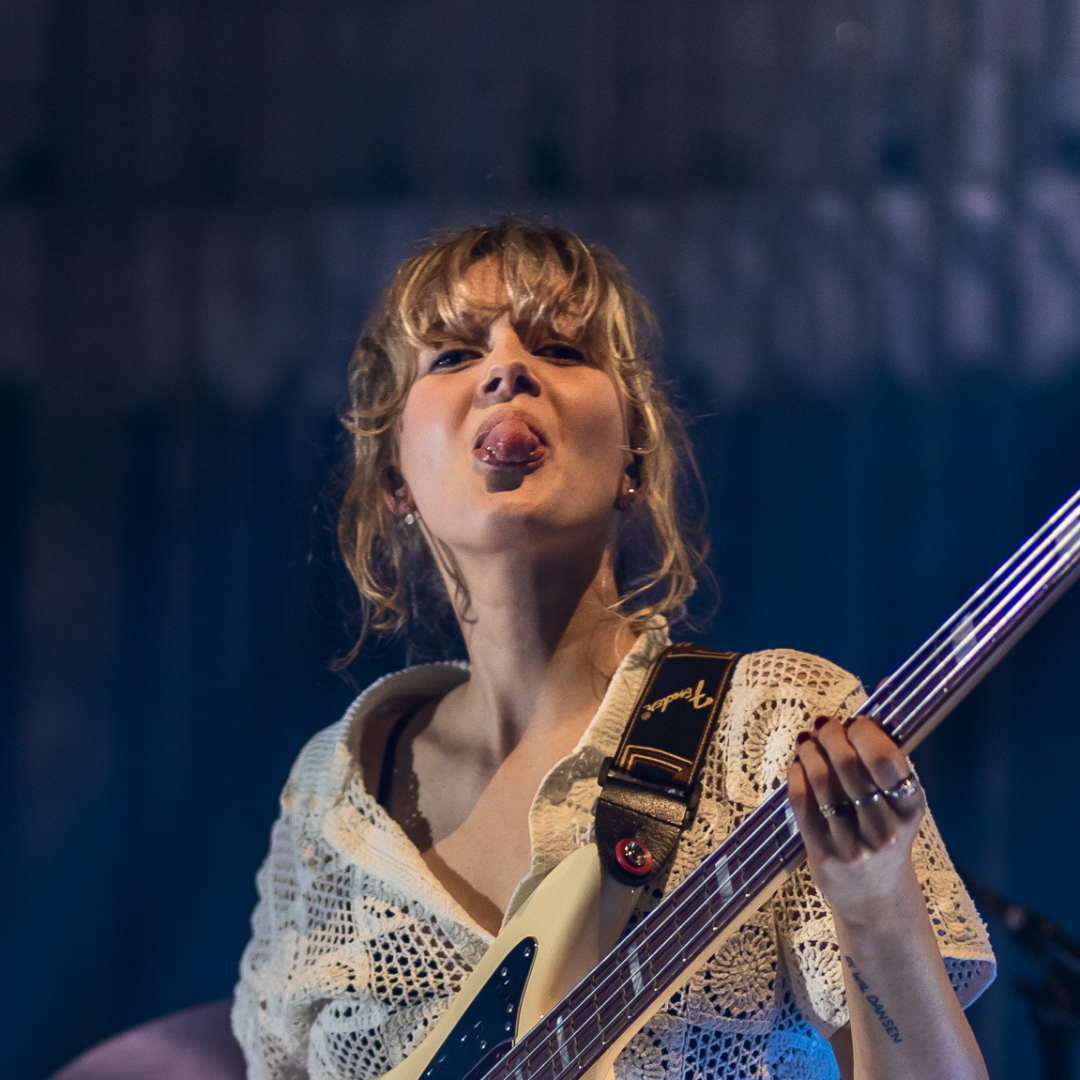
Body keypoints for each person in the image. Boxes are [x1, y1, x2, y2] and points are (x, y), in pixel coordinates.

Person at [232, 221, 995, 1080]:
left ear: (633, 454)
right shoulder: (332, 799)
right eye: (450, 357)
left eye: (560, 348)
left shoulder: (771, 724)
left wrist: (876, 905)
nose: (507, 368)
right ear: (394, 482)